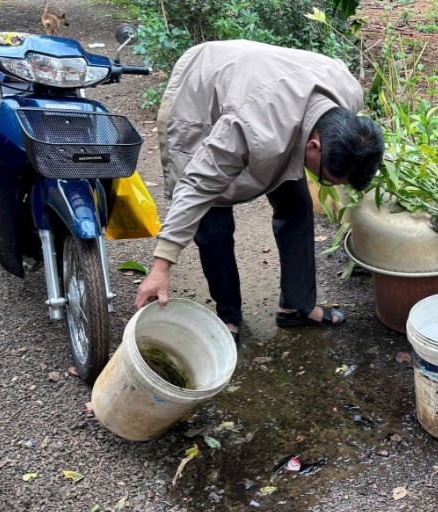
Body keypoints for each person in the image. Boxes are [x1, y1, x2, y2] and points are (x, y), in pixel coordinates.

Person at [133, 40, 385, 347]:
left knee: (296, 204)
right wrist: (161, 267)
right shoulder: (255, 128)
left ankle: (297, 306)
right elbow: (197, 185)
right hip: (203, 85)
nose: (328, 185)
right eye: (328, 180)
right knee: (213, 219)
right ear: (314, 146)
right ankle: (228, 317)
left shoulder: (348, 93)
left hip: (268, 84)